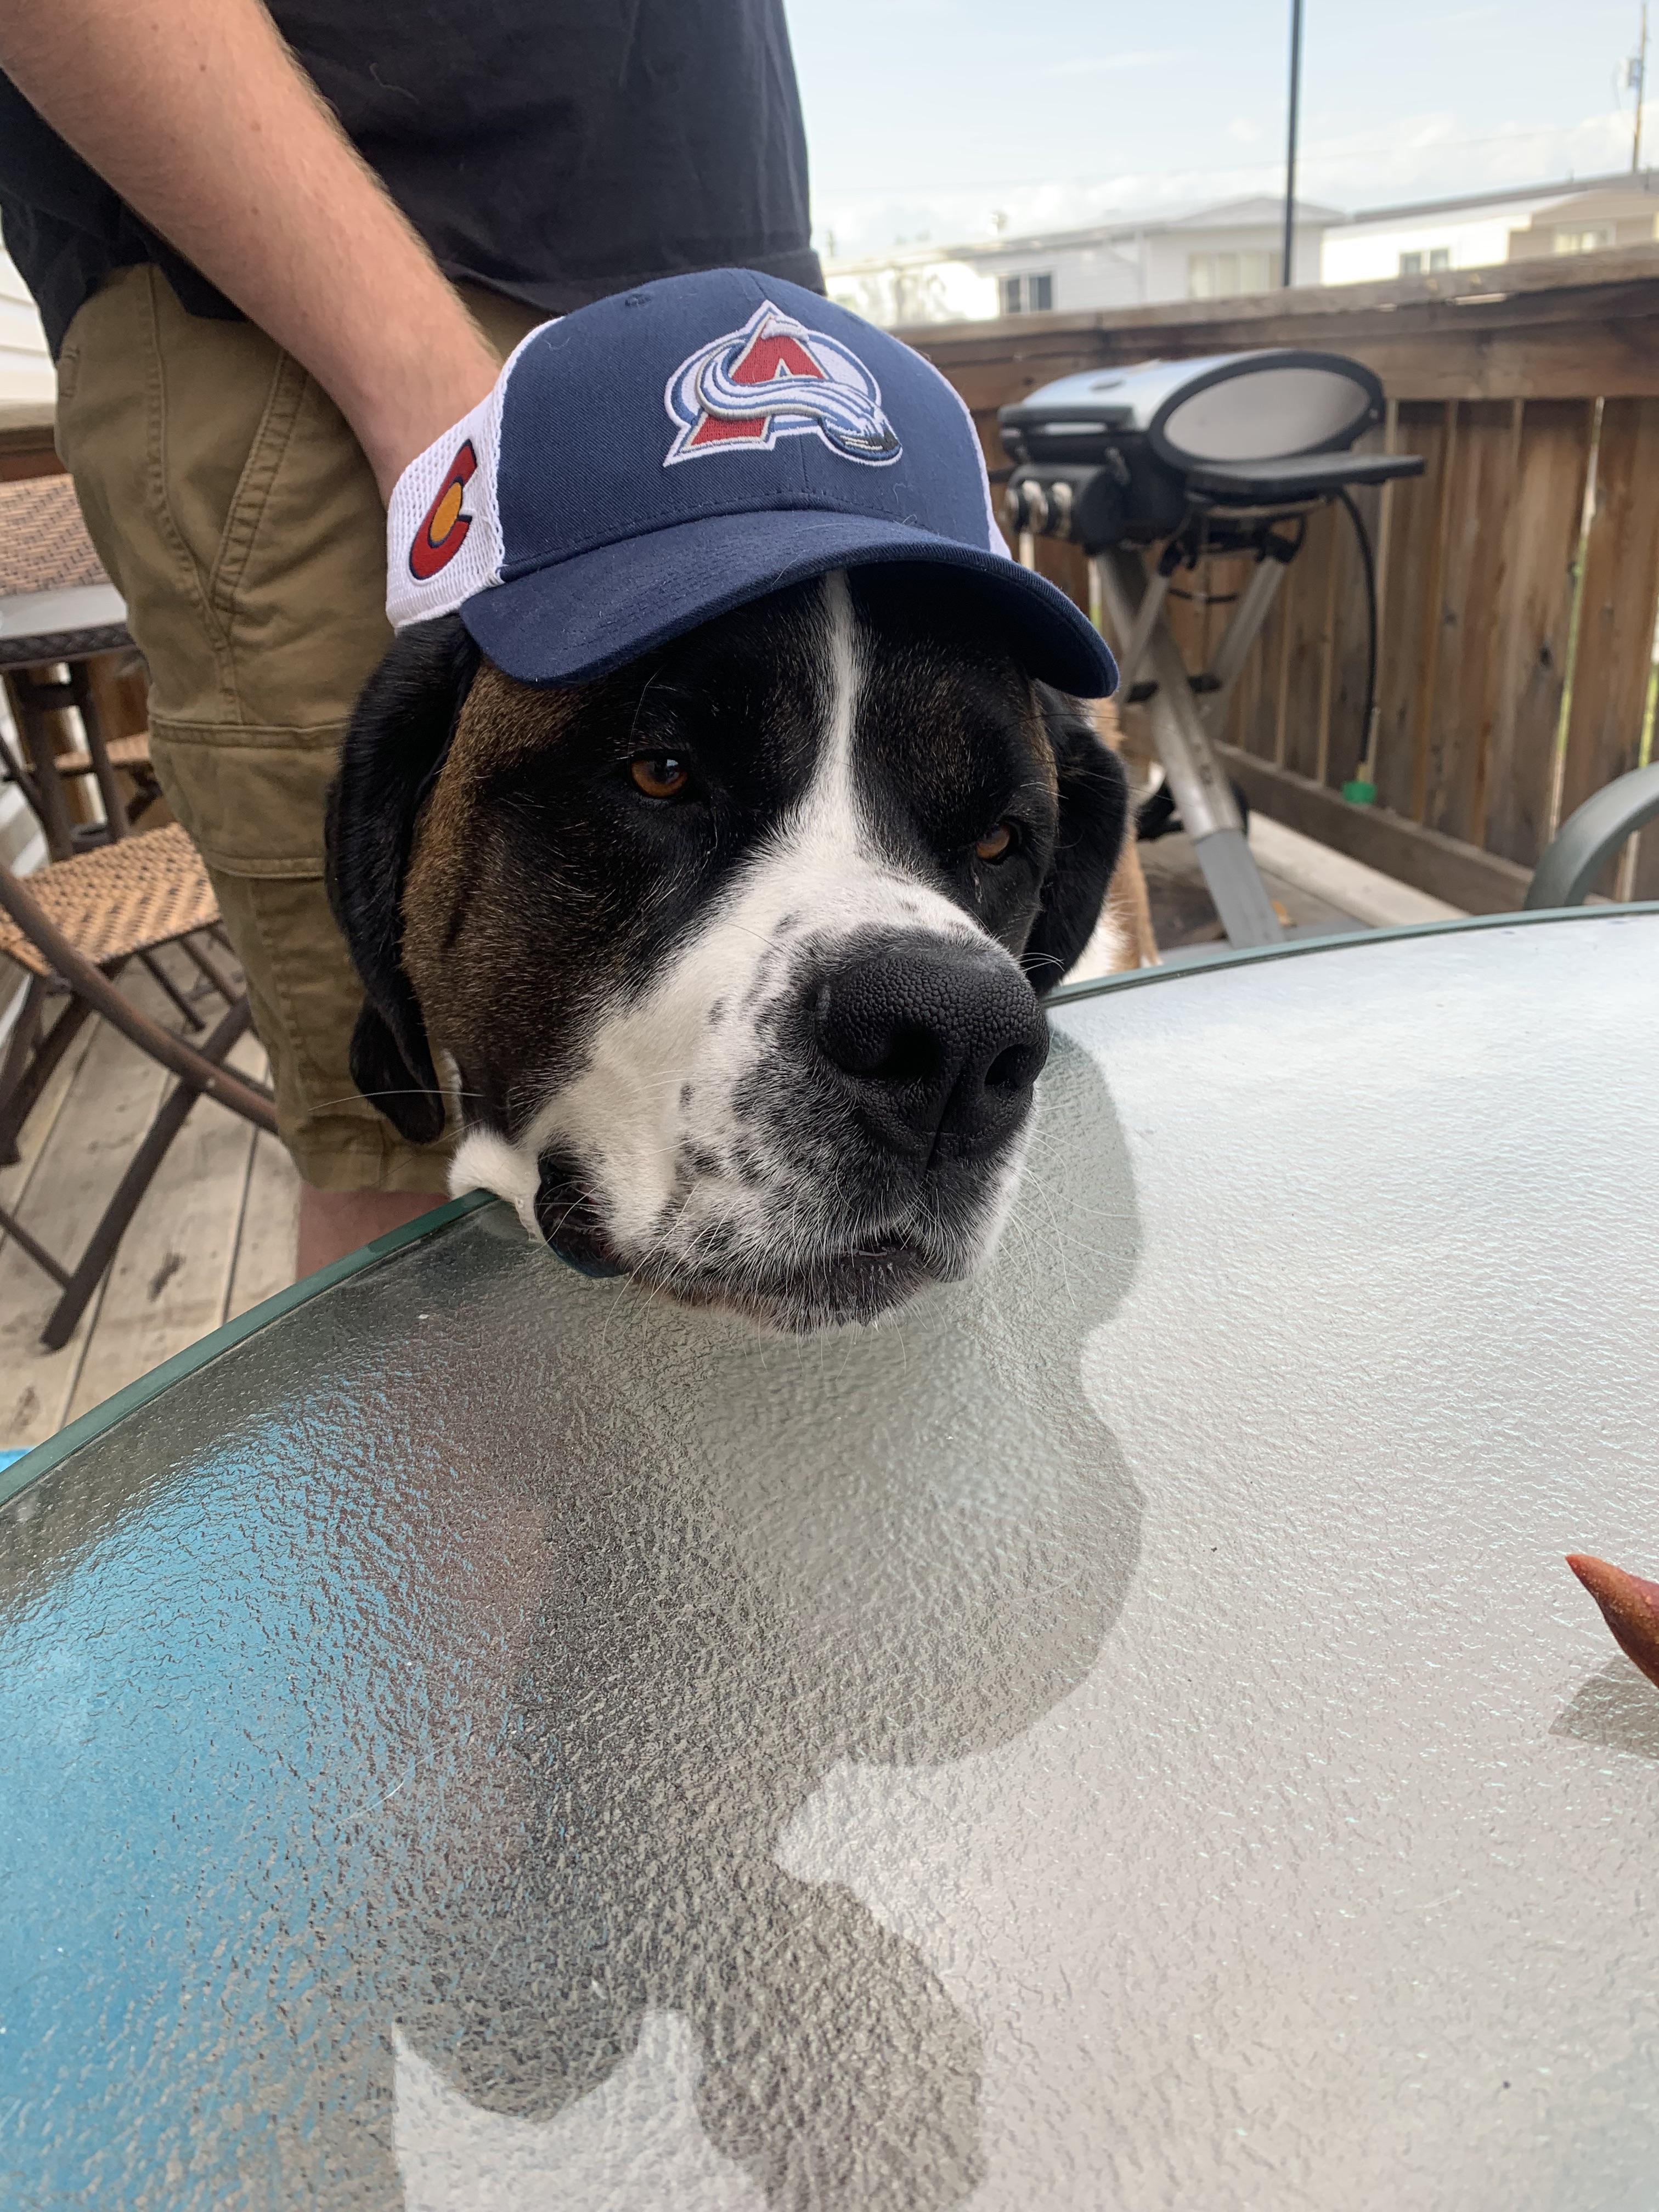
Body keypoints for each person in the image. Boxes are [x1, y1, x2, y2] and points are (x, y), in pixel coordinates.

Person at [0, 0, 820, 1273]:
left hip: (727, 342)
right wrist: (428, 396)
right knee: (432, 1181)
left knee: (800, 1146)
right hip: (344, 303)